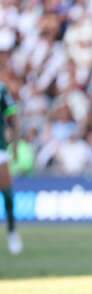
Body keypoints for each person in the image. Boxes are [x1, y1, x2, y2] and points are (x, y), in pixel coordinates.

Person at [0, 81, 22, 255]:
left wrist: (14, 144)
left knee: (6, 192)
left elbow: (12, 116)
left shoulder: (1, 89)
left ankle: (12, 231)